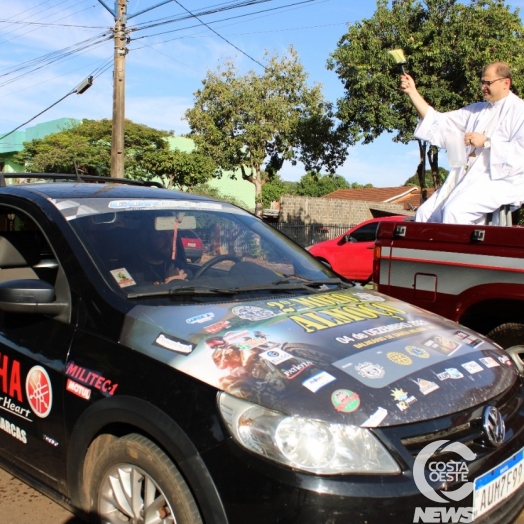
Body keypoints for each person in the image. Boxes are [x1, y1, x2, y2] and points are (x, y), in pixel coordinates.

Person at [400, 62, 524, 224]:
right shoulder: (477, 110)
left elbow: (520, 152)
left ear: (506, 83)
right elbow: (440, 122)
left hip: (500, 181)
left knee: (455, 211)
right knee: (425, 213)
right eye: (482, 82)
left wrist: (487, 142)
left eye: (488, 83)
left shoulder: (519, 111)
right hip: (467, 178)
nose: (483, 87)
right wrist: (412, 92)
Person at [126, 216, 189, 285]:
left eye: (171, 235)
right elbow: (128, 293)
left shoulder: (178, 266)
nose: (168, 241)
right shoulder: (127, 268)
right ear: (144, 236)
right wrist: (170, 284)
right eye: (162, 235)